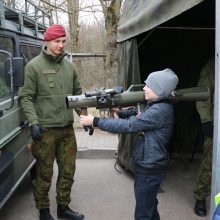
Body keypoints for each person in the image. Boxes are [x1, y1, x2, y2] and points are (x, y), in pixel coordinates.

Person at [80, 68, 179, 220]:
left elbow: (128, 126)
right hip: (150, 165)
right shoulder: (155, 104)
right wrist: (119, 112)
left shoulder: (159, 111)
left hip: (149, 168)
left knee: (142, 214)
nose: (144, 88)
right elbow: (135, 113)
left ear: (159, 90)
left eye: (149, 86)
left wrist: (95, 121)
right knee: (149, 206)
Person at [18, 24, 84, 220]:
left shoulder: (69, 67)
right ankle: (44, 210)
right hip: (45, 130)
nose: (61, 45)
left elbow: (79, 94)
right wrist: (34, 122)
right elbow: (26, 97)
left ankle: (63, 207)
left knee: (68, 170)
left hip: (66, 129)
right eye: (57, 41)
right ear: (46, 41)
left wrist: (85, 117)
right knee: (44, 174)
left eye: (63, 41)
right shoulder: (34, 67)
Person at [194, 57, 214, 217]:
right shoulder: (213, 65)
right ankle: (200, 196)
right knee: (210, 162)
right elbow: (203, 94)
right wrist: (206, 120)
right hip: (217, 125)